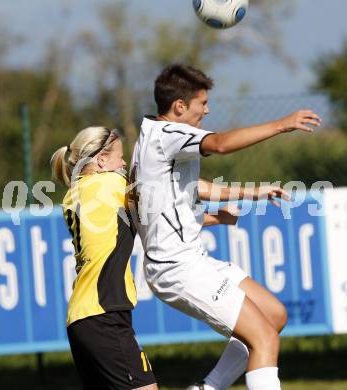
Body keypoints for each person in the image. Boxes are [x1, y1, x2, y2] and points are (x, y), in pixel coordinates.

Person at [129, 64, 322, 390]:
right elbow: (219, 144)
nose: (207, 109)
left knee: (274, 315)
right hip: (177, 268)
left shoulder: (153, 137)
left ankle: (207, 388)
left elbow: (191, 188)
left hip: (192, 260)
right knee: (263, 339)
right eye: (201, 104)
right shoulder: (168, 136)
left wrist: (250, 192)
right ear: (179, 107)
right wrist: (281, 124)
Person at [50, 126, 157, 390]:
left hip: (81, 318)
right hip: (104, 314)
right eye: (120, 157)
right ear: (101, 160)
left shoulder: (74, 192)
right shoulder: (109, 183)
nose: (123, 163)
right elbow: (160, 200)